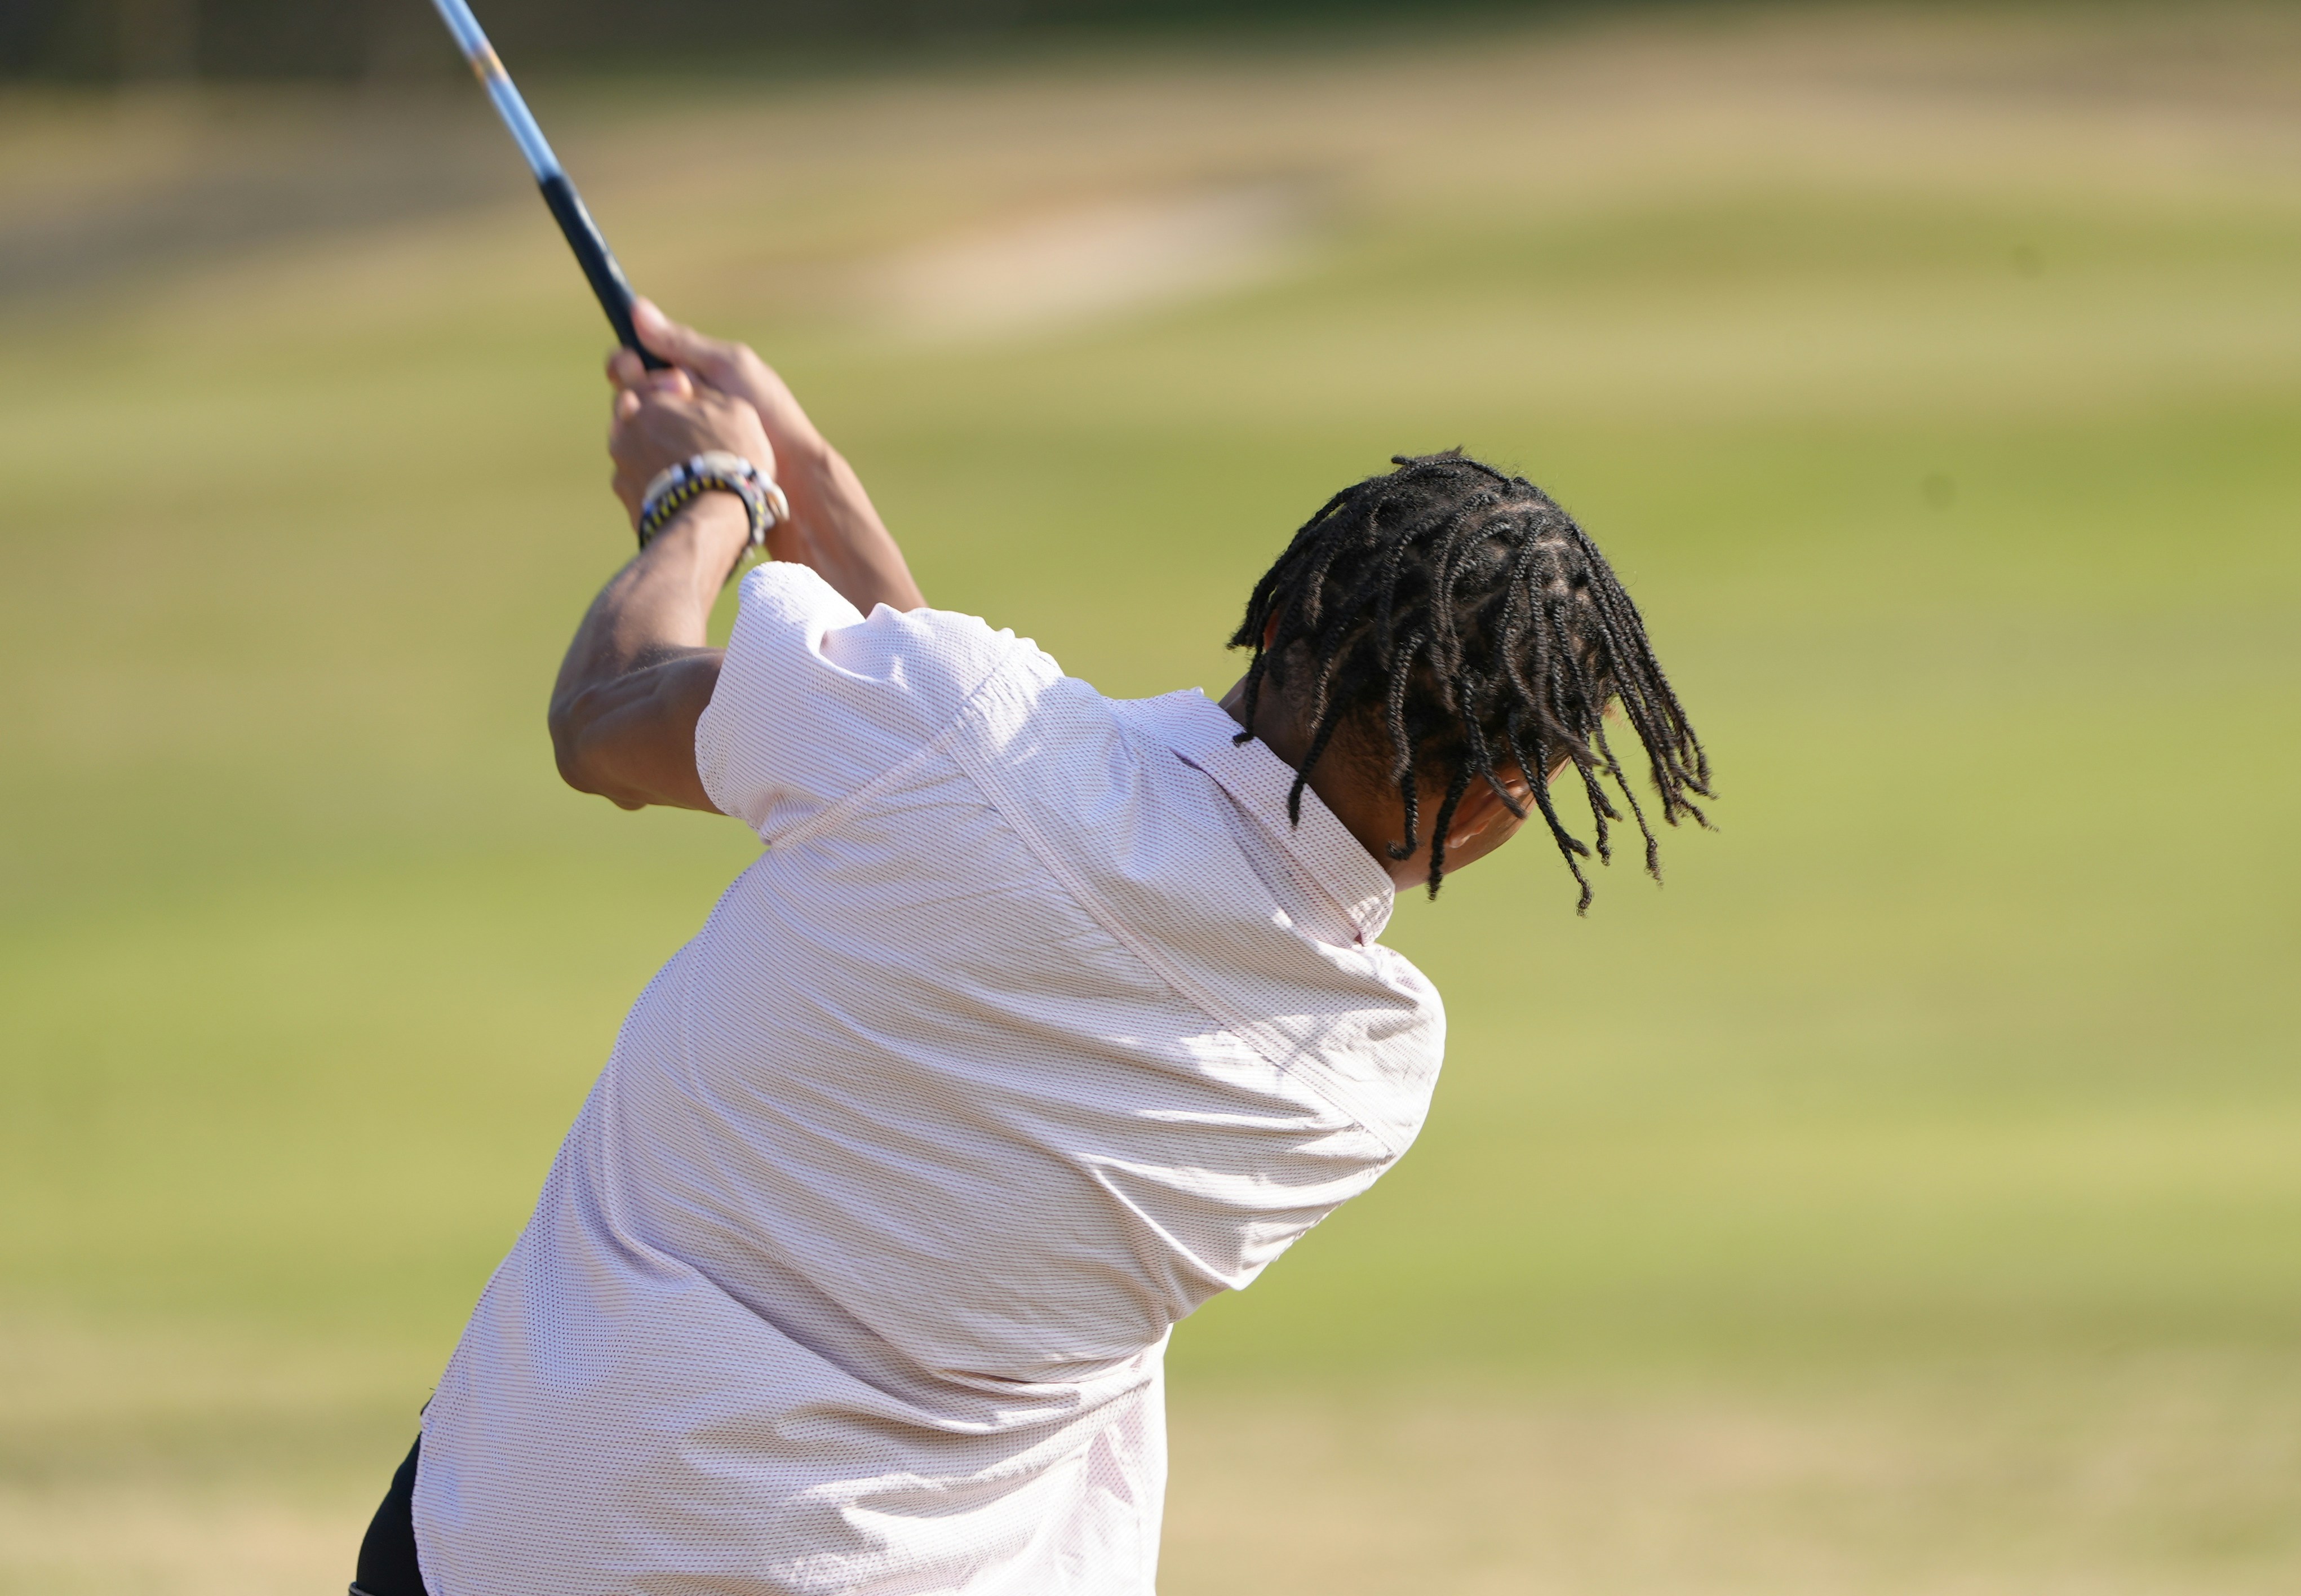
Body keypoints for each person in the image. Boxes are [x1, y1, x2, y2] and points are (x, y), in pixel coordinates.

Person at [352, 299, 1710, 1596]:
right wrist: (804, 466)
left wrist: (704, 501)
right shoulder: (1359, 1075)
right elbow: (986, 823)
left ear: (1284, 617)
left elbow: (608, 719)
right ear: (1498, 810)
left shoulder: (948, 751)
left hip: (519, 1537)